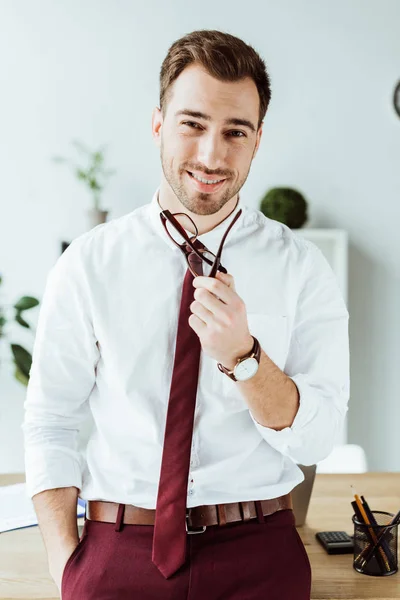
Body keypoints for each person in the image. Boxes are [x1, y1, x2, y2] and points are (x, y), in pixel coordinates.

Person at [23, 29, 350, 600]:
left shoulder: (303, 268)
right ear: (158, 124)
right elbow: (51, 418)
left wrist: (245, 360)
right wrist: (64, 564)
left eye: (234, 132)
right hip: (116, 551)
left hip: (261, 553)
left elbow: (317, 438)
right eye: (192, 124)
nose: (211, 155)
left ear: (258, 140)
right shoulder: (89, 263)